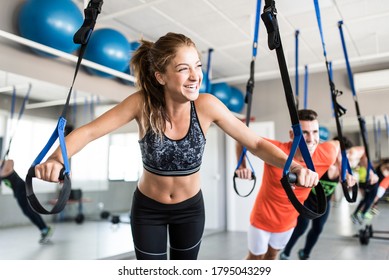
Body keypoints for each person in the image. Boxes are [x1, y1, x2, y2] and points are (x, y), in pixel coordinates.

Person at [32, 32, 319, 260]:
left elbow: (255, 143)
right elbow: (89, 132)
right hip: (147, 210)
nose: (195, 76)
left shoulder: (207, 106)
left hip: (190, 210)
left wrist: (293, 165)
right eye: (183, 69)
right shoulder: (142, 104)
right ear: (161, 76)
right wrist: (58, 157)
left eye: (198, 66)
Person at [235, 109, 356, 260]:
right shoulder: (276, 151)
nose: (311, 139)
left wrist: (344, 171)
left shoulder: (326, 153)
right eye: (305, 133)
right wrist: (242, 166)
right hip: (262, 218)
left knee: (272, 256)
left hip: (289, 221)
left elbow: (338, 145)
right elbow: (242, 140)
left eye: (315, 132)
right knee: (255, 258)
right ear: (292, 135)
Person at [280, 137, 373, 260]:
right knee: (300, 229)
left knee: (318, 229)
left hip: (324, 204)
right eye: (341, 153)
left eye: (347, 154)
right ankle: (286, 252)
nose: (344, 157)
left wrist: (370, 172)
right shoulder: (323, 164)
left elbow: (363, 150)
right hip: (308, 202)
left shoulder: (343, 170)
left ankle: (305, 253)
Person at [0, 159, 53, 243]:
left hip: (22, 188)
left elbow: (11, 162)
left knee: (29, 211)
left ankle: (45, 229)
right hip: (18, 192)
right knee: (28, 212)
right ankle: (44, 229)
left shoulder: (6, 163)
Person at [351, 158, 389, 223]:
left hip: (373, 185)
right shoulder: (384, 168)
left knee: (366, 200)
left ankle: (358, 213)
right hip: (374, 186)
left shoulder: (380, 166)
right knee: (368, 201)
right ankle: (361, 213)